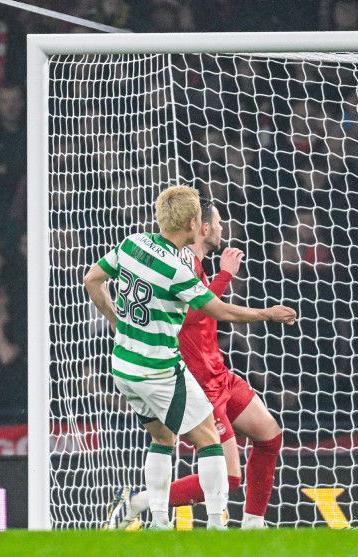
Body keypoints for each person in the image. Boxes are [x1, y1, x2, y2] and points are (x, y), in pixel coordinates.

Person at [83, 185, 296, 530]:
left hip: (218, 371)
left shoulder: (154, 251)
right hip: (193, 376)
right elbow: (200, 314)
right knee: (225, 473)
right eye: (219, 223)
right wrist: (242, 290)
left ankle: (253, 524)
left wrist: (118, 322)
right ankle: (143, 504)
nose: (224, 230)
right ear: (201, 226)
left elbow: (94, 279)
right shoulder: (181, 264)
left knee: (269, 434)